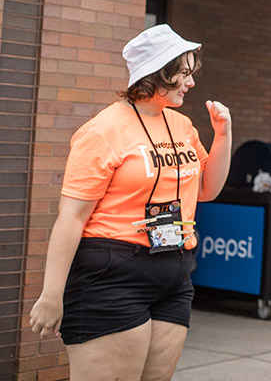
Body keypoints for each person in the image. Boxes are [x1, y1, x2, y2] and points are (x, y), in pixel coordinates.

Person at [29, 25, 232, 381]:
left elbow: (208, 190)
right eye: (183, 73)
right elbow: (72, 217)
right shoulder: (102, 130)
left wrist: (223, 135)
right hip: (113, 274)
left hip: (175, 270)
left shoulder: (182, 125)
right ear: (157, 72)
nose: (191, 82)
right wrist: (52, 294)